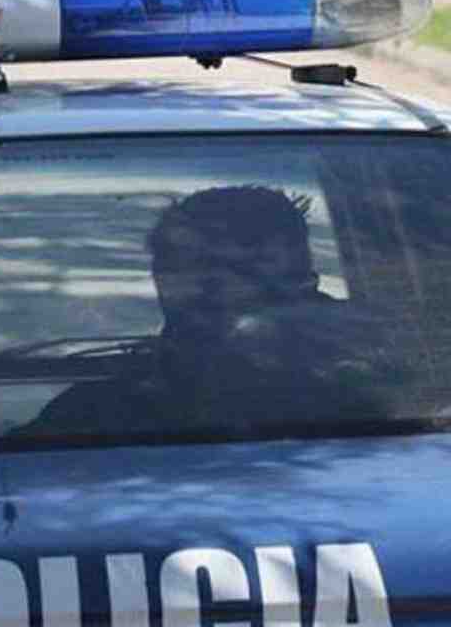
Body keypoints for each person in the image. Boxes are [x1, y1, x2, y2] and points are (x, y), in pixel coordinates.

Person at [19, 185, 394, 439]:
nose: (207, 286)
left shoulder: (376, 398)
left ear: (301, 280)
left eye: (241, 267)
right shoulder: (96, 413)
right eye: (182, 266)